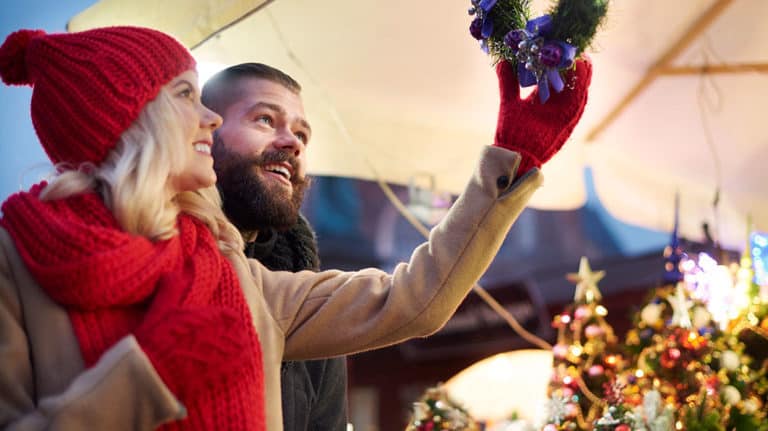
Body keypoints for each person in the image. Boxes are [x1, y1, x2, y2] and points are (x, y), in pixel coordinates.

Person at [0, 26, 591, 431]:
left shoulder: (236, 275)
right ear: (133, 115)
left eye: (302, 134)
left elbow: (411, 300)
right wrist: (149, 375)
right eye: (187, 95)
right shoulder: (14, 264)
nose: (204, 114)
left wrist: (514, 159)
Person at [202, 64, 348, 431]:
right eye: (265, 119)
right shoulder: (152, 254)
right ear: (205, 132)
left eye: (302, 134)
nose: (293, 143)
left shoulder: (307, 298)